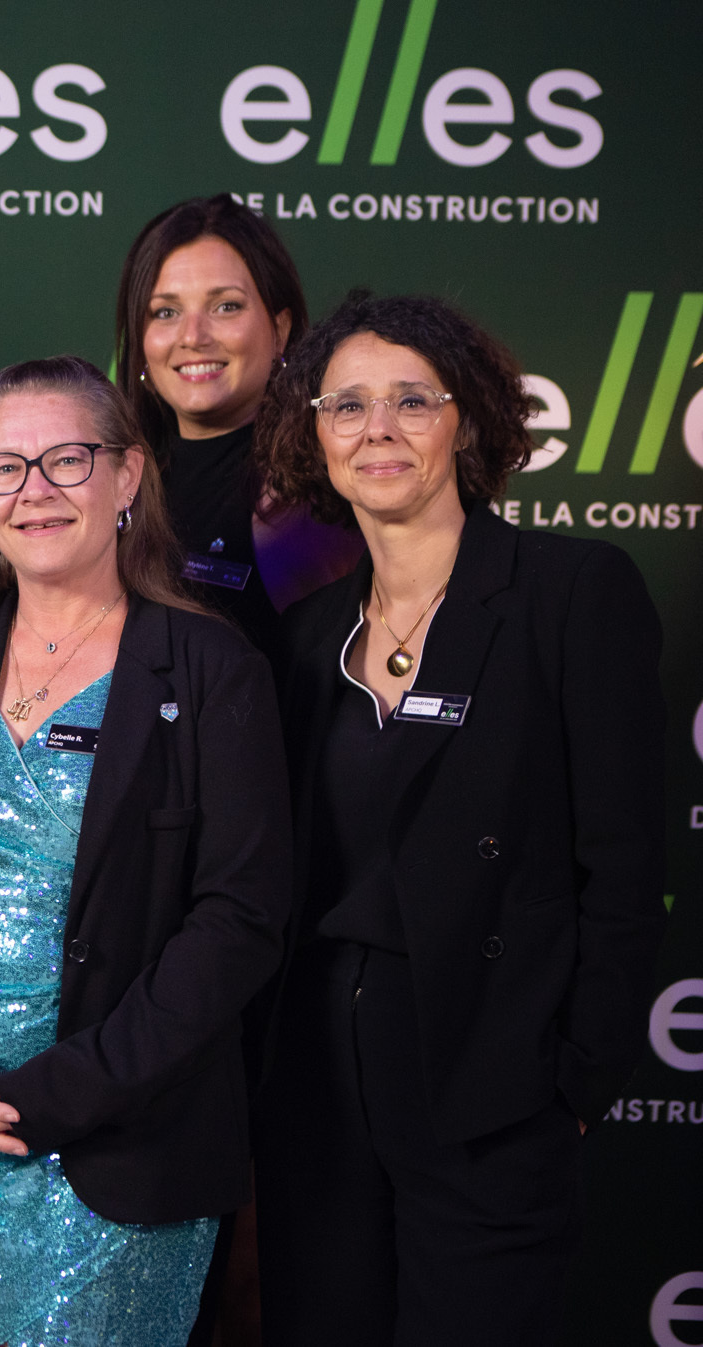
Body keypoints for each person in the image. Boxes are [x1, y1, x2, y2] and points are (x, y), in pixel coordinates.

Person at [251, 293, 666, 1347]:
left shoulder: (569, 593)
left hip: (492, 1078)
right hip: (318, 1083)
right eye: (346, 406)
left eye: (411, 401)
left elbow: (623, 866)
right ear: (314, 435)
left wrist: (576, 1078)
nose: (376, 430)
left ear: (467, 420)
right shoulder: (303, 638)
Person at [0, 356, 292, 1347]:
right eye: (5, 467)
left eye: (66, 459)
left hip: (127, 1141)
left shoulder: (211, 666)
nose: (35, 490)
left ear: (128, 475)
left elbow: (239, 919)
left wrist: (61, 1091)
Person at [114, 194, 361, 660]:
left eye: (226, 307)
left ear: (280, 330)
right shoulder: (120, 483)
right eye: (165, 312)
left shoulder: (314, 496)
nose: (193, 336)